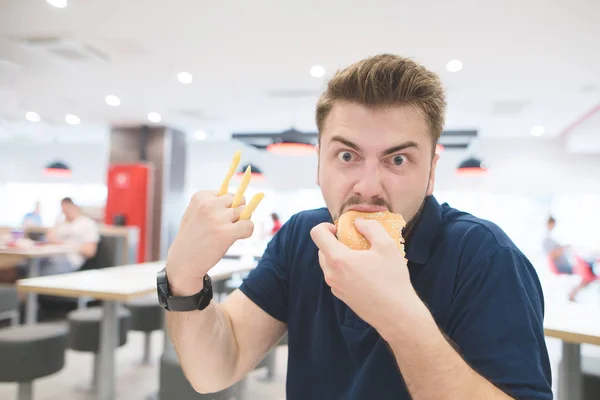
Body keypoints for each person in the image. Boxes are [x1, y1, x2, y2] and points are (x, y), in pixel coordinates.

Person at [163, 54, 552, 399]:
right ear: (319, 165)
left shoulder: (485, 257)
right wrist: (183, 276)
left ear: (431, 172)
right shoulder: (302, 237)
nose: (367, 187)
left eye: (397, 160)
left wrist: (398, 315)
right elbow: (214, 369)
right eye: (347, 155)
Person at [544, 215, 596, 301]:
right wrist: (563, 248)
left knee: (588, 267)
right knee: (586, 271)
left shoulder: (550, 238)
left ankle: (573, 293)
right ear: (550, 224)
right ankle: (573, 294)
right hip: (560, 267)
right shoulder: (547, 239)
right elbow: (552, 255)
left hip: (565, 264)